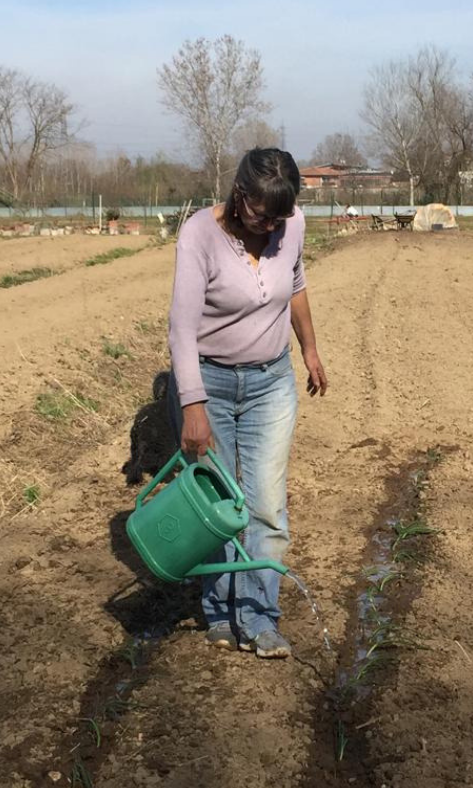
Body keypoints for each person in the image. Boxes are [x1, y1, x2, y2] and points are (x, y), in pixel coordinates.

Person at [167, 148, 327, 659]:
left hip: (270, 383)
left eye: (280, 217)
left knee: (265, 506)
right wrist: (192, 405)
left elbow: (296, 286)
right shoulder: (199, 235)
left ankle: (259, 619)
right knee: (218, 504)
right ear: (240, 197)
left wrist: (309, 348)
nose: (271, 227)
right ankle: (218, 611)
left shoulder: (291, 223)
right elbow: (181, 330)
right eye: (262, 215)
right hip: (210, 383)